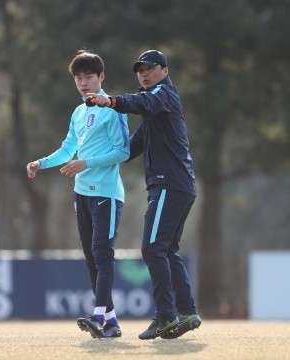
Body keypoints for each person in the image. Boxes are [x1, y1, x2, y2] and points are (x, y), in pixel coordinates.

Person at [86, 49, 201, 340]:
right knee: (166, 250)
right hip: (179, 186)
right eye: (140, 70)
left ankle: (165, 317)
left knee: (151, 249)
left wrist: (111, 102)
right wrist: (97, 154)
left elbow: (138, 102)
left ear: (164, 70)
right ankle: (187, 312)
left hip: (168, 185)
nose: (144, 73)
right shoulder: (154, 109)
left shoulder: (162, 94)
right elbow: (129, 150)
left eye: (149, 68)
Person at [26, 50, 130, 339]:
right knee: (91, 259)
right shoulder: (79, 111)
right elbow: (68, 147)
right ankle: (110, 322)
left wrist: (87, 163)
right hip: (81, 194)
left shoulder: (113, 109)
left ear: (102, 77)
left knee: (102, 254)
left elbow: (123, 151)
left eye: (89, 77)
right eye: (79, 78)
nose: (84, 83)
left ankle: (99, 315)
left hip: (107, 195)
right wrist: (41, 163)